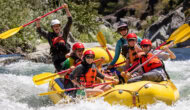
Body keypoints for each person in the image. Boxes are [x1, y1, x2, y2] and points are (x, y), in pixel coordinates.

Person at [36, 3, 72, 72]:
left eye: (57, 26)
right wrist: (38, 21)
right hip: (57, 59)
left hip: (66, 57)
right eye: (54, 26)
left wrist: (66, 8)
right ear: (52, 28)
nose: (56, 27)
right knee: (62, 71)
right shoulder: (49, 35)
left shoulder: (64, 33)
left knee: (70, 69)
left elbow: (70, 21)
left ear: (60, 26)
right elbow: (39, 30)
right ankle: (58, 71)